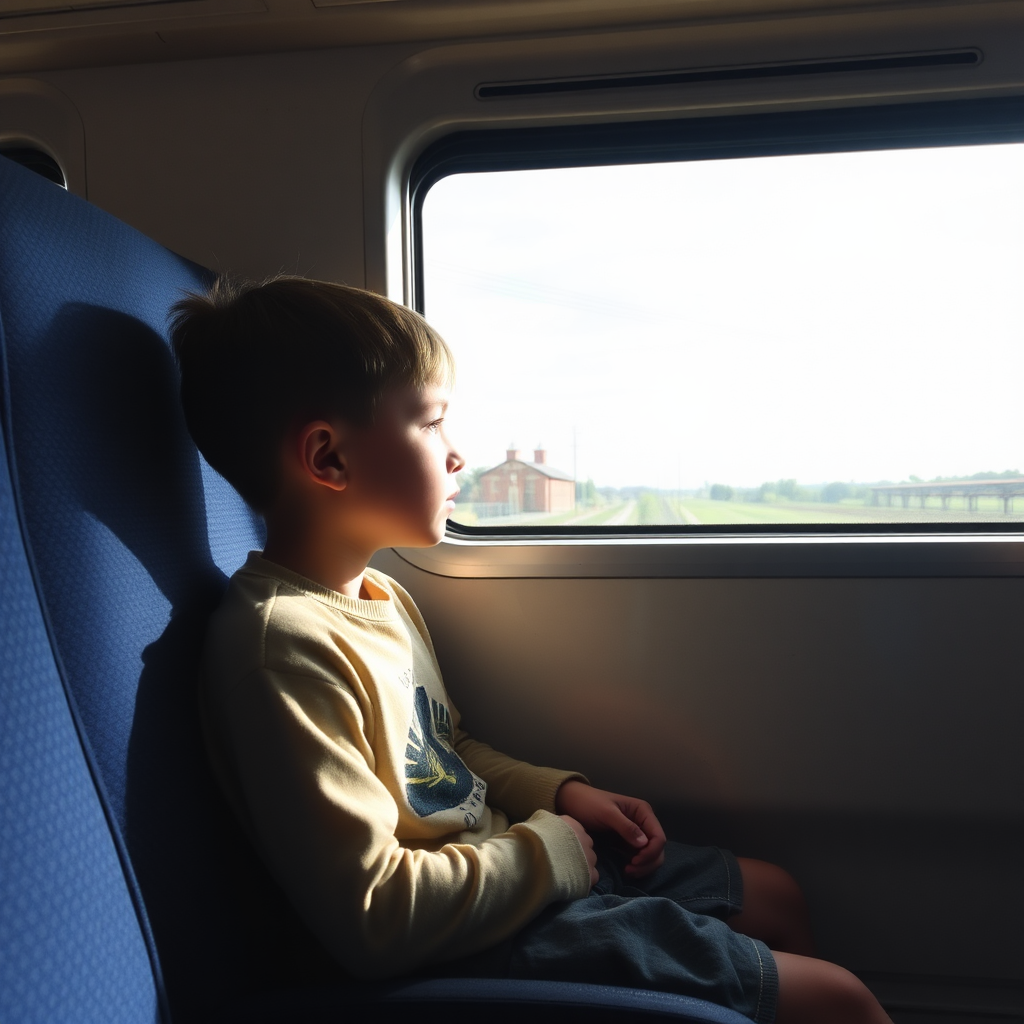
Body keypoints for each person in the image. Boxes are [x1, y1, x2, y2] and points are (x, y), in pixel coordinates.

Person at [170, 276, 891, 1024]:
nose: (457, 456)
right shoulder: (282, 650)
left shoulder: (381, 598)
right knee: (841, 1001)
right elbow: (374, 914)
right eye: (431, 423)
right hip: (463, 935)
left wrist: (559, 794)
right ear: (329, 458)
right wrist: (551, 852)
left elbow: (444, 753)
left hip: (514, 865)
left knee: (775, 892)